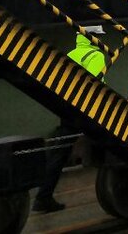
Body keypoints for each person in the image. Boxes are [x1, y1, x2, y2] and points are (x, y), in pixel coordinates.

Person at [34, 26, 108, 214]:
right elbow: (93, 85)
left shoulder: (71, 53)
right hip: (85, 111)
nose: (101, 40)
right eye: (98, 37)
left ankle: (43, 196)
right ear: (92, 38)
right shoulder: (96, 55)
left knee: (60, 151)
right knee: (115, 142)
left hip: (67, 107)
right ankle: (43, 197)